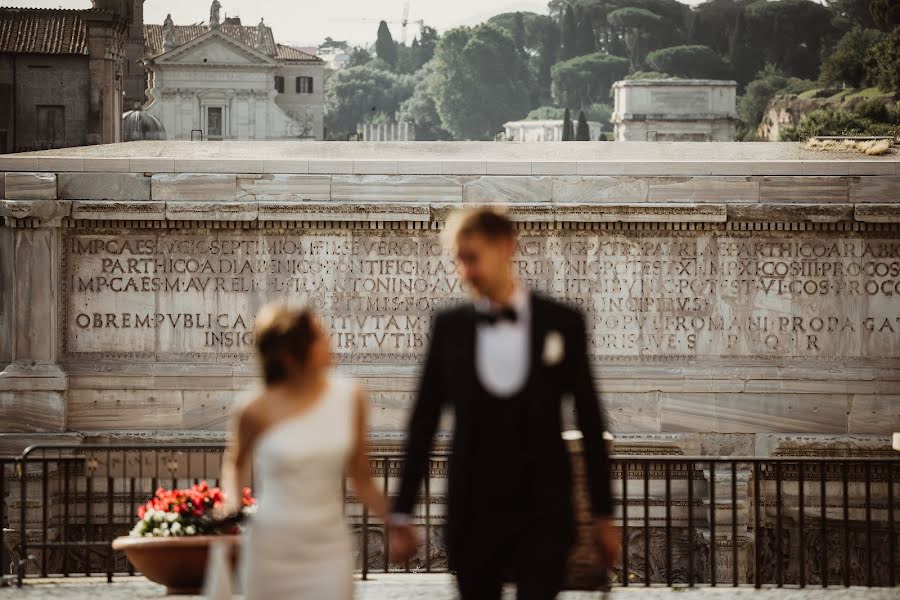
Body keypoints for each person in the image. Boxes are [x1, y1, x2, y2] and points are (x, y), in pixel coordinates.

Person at [389, 207, 619, 600]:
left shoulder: (561, 322)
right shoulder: (450, 327)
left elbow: (591, 417)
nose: (465, 271)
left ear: (507, 249)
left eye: (472, 257)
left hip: (544, 513)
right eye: (459, 259)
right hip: (473, 513)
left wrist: (603, 514)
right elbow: (423, 422)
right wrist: (402, 512)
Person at [213, 303, 388, 599]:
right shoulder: (253, 408)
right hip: (271, 545)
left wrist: (395, 519)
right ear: (290, 357)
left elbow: (362, 478)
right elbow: (235, 462)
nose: (329, 341)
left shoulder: (350, 397)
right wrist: (231, 501)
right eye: (319, 337)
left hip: (328, 546)